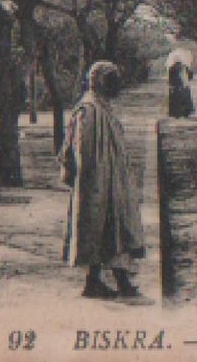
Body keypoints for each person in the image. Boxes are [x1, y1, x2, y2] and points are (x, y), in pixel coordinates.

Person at [60, 61, 146, 300]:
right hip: (96, 183)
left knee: (115, 229)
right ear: (99, 81)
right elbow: (79, 150)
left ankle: (117, 281)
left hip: (112, 180)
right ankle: (101, 283)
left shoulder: (103, 107)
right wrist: (92, 181)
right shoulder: (87, 110)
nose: (117, 84)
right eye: (112, 79)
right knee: (100, 230)